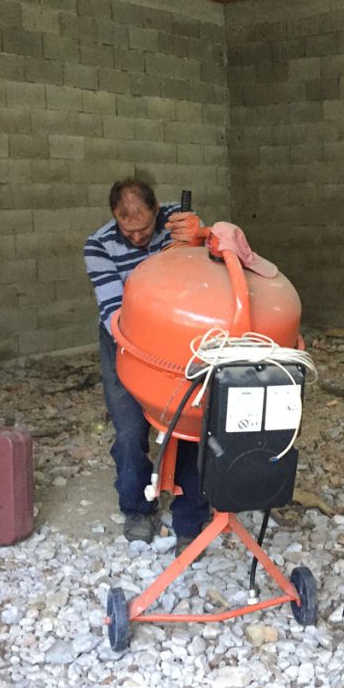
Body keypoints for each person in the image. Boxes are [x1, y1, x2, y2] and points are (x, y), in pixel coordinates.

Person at [83, 178, 209, 554]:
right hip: (124, 336)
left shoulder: (176, 220)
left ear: (156, 210)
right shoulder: (98, 246)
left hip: (180, 332)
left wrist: (202, 233)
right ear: (114, 218)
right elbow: (112, 311)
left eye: (144, 229)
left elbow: (212, 258)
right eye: (128, 230)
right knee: (129, 430)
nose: (138, 237)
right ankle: (138, 508)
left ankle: (191, 514)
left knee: (189, 423)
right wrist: (147, 357)